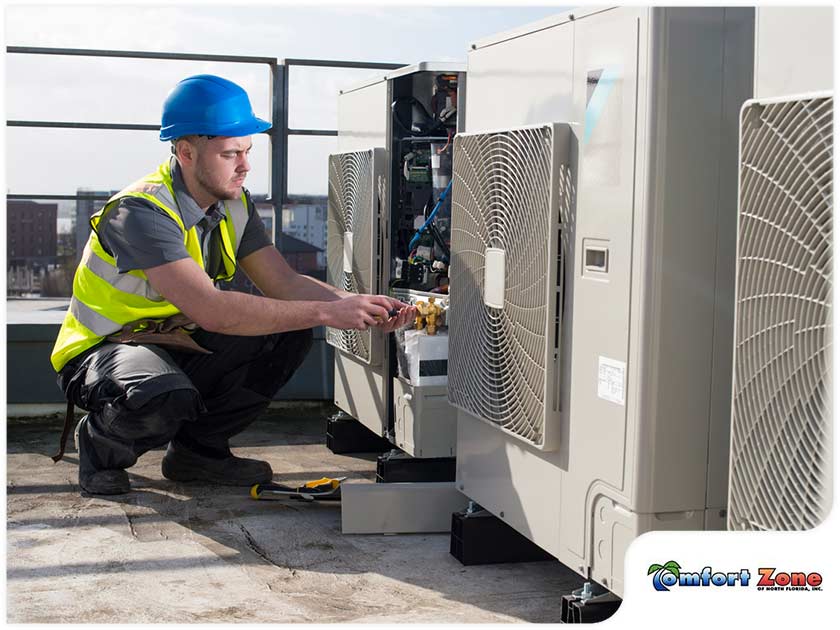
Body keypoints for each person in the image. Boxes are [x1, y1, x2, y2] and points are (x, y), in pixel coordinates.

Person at [50, 74, 414, 496]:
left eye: (247, 151)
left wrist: (360, 304)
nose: (245, 165)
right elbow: (213, 311)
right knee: (162, 395)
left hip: (176, 342)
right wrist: (329, 311)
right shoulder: (141, 212)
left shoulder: (233, 204)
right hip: (106, 350)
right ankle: (101, 447)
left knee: (287, 333)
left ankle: (197, 453)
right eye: (230, 154)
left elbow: (284, 282)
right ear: (186, 152)